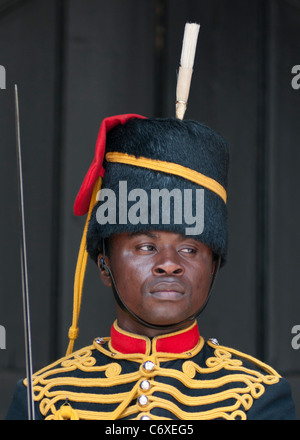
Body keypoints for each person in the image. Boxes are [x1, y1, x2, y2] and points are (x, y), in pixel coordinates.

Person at [6, 114, 296, 420]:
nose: (169, 265)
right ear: (105, 267)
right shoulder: (41, 399)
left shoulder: (259, 398)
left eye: (189, 248)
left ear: (213, 268)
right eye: (146, 247)